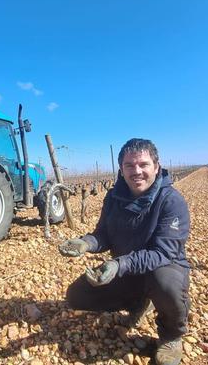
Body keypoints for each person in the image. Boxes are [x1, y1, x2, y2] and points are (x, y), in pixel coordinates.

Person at [59, 138, 190, 365]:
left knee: (166, 283)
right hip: (126, 269)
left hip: (160, 268)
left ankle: (171, 335)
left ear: (156, 167)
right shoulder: (113, 197)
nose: (136, 171)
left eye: (143, 164)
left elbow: (162, 252)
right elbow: (103, 234)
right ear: (121, 169)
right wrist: (86, 243)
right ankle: (138, 303)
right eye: (129, 166)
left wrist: (119, 264)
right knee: (76, 296)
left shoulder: (171, 201)